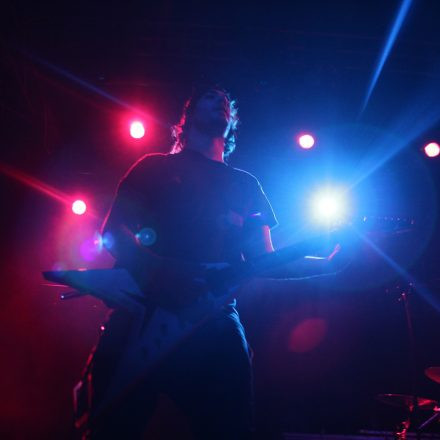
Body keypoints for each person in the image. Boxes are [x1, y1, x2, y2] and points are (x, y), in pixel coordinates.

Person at [81, 86, 337, 439]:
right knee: (112, 428)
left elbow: (265, 261)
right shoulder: (153, 167)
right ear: (186, 118)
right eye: (209, 97)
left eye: (226, 102)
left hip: (213, 320)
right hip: (142, 312)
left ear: (232, 125)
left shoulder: (246, 185)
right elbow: (113, 232)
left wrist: (329, 262)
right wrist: (159, 270)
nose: (220, 102)